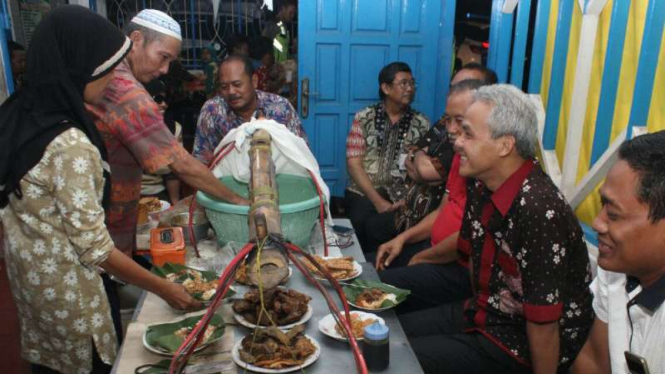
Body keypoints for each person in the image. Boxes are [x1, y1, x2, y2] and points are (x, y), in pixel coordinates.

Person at [0, 6, 200, 374]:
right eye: (107, 67)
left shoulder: (17, 114)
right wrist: (164, 287)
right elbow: (95, 248)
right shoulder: (68, 143)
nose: (113, 79)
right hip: (76, 304)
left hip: (34, 294)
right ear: (81, 64)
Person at [402, 84, 593, 374]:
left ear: (505, 145)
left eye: (468, 134)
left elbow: (543, 325)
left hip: (518, 345)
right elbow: (470, 260)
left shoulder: (539, 209)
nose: (457, 142)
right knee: (386, 335)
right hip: (482, 314)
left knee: (398, 361)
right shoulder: (482, 185)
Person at [369, 80, 484, 315]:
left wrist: (422, 257)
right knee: (365, 268)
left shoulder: (483, 168)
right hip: (431, 248)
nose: (450, 129)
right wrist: (403, 239)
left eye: (459, 121)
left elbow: (465, 240)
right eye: (448, 119)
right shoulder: (461, 157)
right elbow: (442, 211)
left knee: (372, 290)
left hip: (454, 265)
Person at [571, 131, 665, 374]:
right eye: (603, 207)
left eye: (613, 215)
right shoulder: (616, 270)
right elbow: (593, 360)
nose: (597, 223)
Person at [345, 62, 430, 252]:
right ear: (386, 88)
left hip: (402, 194)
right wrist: (378, 201)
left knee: (386, 228)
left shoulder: (422, 123)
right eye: (404, 83)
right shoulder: (364, 117)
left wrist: (409, 198)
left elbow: (422, 169)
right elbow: (354, 163)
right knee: (360, 220)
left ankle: (382, 270)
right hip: (364, 190)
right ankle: (359, 269)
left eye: (412, 83)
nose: (410, 89)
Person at [193, 54, 307, 165]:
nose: (231, 91)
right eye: (224, 87)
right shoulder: (212, 111)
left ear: (254, 81)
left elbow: (302, 154)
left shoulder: (280, 108)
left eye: (237, 84)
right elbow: (201, 161)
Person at [141, 79, 181, 203]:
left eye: (166, 100)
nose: (164, 104)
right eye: (158, 99)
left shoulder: (174, 128)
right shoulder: (127, 127)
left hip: (157, 192)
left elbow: (173, 173)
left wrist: (174, 204)